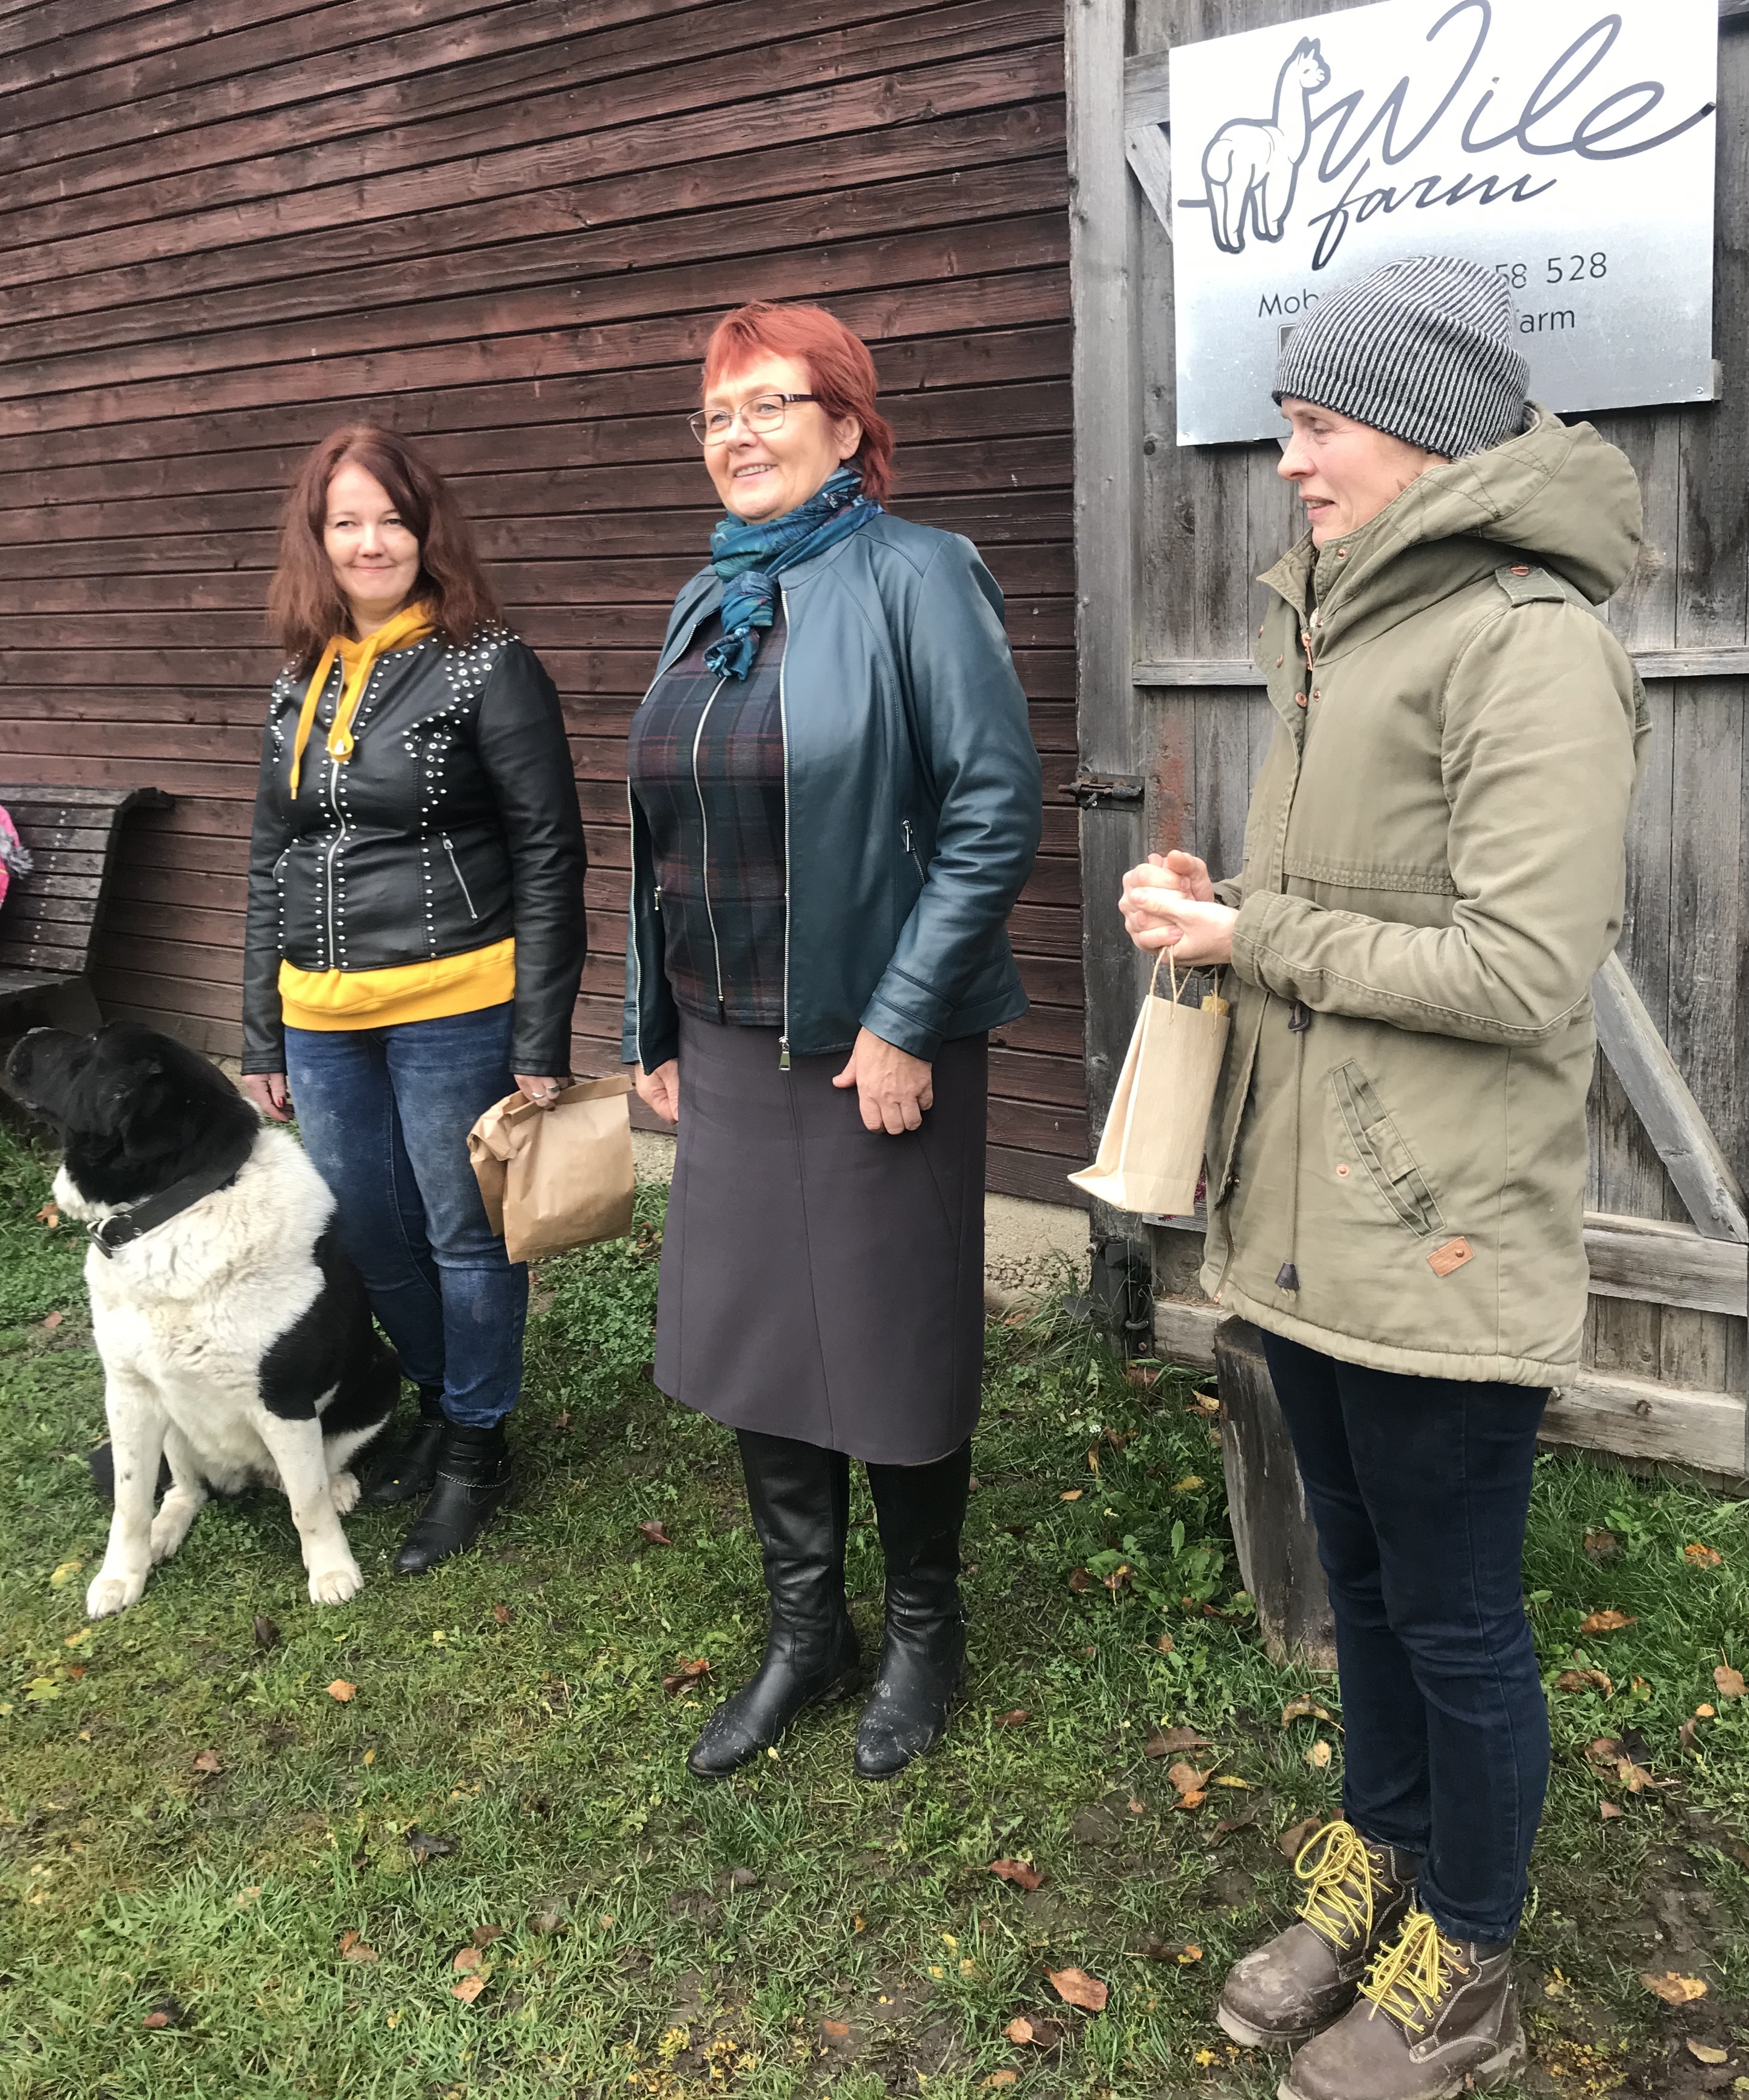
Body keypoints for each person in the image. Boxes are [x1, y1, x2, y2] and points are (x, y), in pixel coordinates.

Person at [1120, 259, 1648, 2100]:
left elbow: (1524, 971)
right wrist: (1226, 915)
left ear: (1419, 432)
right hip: (1310, 1210)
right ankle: (1390, 1863)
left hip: (1436, 1230)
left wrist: (1262, 936)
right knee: (1360, 1581)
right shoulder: (1344, 621)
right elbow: (1353, 909)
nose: (1289, 463)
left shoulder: (1529, 643)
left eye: (1315, 426)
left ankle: (1473, 1961)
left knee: (1457, 1618)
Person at [625, 300, 1041, 1781]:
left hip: (877, 1041)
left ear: (849, 425)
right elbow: (665, 832)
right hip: (731, 1036)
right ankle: (808, 1631)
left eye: (770, 404)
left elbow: (993, 808)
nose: (737, 436)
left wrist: (908, 1016)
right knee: (758, 1340)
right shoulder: (708, 597)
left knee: (894, 1335)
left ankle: (926, 1629)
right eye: (716, 414)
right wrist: (655, 1020)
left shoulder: (920, 573)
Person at [242, 424, 586, 1575]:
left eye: (392, 519)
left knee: (464, 1233)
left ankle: (478, 1444)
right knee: (370, 1233)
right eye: (347, 522)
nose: (371, 542)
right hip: (319, 1013)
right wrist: (261, 1030)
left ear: (427, 532)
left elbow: (550, 849)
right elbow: (272, 857)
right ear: (318, 539)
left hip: (456, 998)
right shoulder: (299, 676)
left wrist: (541, 1030)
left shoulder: (488, 662)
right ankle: (444, 1404)